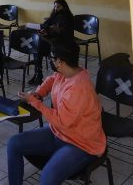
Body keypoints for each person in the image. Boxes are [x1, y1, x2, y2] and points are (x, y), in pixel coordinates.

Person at [6, 38, 106, 185]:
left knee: (47, 178)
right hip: (59, 133)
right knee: (14, 143)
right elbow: (52, 79)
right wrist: (39, 93)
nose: (51, 61)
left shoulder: (79, 88)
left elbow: (62, 121)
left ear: (60, 61)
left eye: (52, 58)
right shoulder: (65, 72)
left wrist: (35, 102)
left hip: (81, 144)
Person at [28, 0, 75, 85]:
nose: (56, 8)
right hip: (52, 41)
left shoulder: (68, 18)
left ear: (64, 7)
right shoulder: (54, 16)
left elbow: (64, 33)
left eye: (58, 6)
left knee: (41, 47)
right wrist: (44, 31)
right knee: (38, 47)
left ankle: (46, 74)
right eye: (55, 6)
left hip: (63, 43)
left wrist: (52, 31)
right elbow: (45, 25)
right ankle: (38, 73)